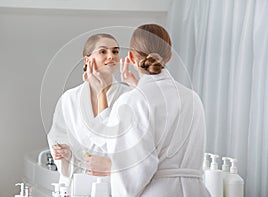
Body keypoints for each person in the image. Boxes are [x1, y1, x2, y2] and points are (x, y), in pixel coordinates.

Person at [88, 24, 211, 196]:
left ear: (130, 57)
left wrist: (102, 92)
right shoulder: (192, 97)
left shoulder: (133, 101)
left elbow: (135, 167)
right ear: (169, 56)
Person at [47, 33, 130, 185]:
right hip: (78, 180)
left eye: (115, 51)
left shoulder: (128, 96)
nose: (111, 56)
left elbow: (130, 143)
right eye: (103, 51)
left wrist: (111, 165)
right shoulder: (69, 99)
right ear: (87, 60)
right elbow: (58, 135)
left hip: (113, 181)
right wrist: (66, 152)